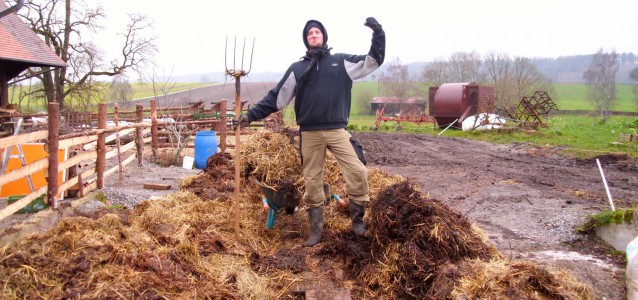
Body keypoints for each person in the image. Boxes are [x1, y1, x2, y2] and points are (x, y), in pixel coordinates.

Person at [238, 17, 385, 247]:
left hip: (337, 130)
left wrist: (378, 33)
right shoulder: (298, 69)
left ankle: (358, 221)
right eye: (309, 34)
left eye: (317, 32)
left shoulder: (341, 62)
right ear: (306, 40)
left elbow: (373, 61)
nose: (314, 35)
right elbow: (276, 98)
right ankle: (316, 232)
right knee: (312, 181)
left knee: (357, 171)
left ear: (324, 36)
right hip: (310, 133)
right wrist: (250, 116)